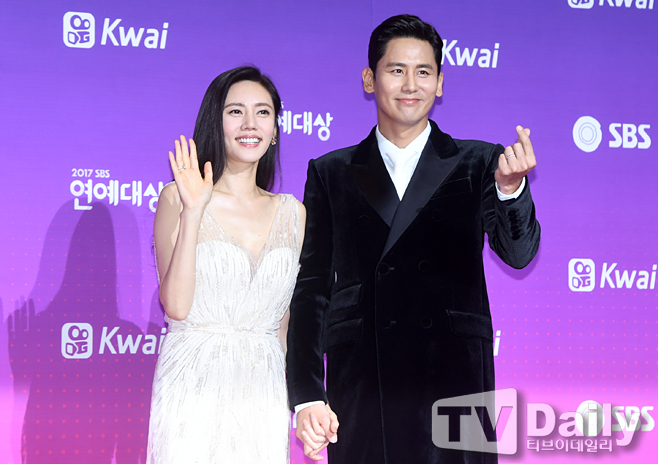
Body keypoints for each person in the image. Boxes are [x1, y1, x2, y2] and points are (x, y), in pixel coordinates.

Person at [286, 14, 541, 464]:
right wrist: (307, 393)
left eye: (423, 72)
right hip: (363, 380)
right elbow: (311, 290)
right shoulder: (331, 172)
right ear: (370, 79)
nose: (410, 85)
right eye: (396, 70)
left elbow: (519, 254)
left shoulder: (479, 162)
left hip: (455, 376)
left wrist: (511, 190)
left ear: (439, 83)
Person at [147, 66, 306, 463]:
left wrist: (302, 403)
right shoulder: (177, 198)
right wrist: (194, 211)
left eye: (263, 112)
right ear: (215, 123)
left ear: (274, 130)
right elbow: (176, 306)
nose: (250, 123)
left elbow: (283, 325)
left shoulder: (293, 213)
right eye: (236, 111)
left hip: (263, 389)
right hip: (193, 385)